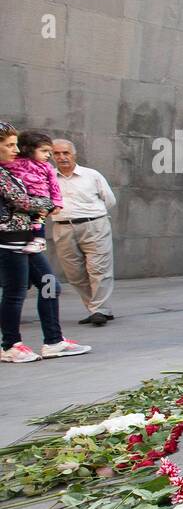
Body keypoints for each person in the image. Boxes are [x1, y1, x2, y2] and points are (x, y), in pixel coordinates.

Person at [0, 123, 91, 362]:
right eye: (9, 145)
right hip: (9, 244)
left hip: (27, 242)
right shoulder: (2, 174)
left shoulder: (12, 171)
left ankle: (53, 341)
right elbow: (24, 202)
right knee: (15, 293)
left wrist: (44, 202)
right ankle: (10, 345)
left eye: (16, 144)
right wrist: (49, 204)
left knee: (50, 286)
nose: (15, 149)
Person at [49, 139, 116, 326]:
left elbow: (109, 200)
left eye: (66, 153)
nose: (62, 157)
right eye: (57, 154)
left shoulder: (91, 175)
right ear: (52, 156)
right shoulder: (49, 178)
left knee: (99, 269)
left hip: (94, 225)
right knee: (74, 273)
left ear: (74, 154)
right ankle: (95, 308)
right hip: (62, 227)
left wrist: (93, 215)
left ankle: (99, 310)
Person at [7, 131, 61, 254]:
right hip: (23, 198)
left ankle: (39, 240)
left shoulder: (47, 167)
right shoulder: (15, 161)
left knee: (38, 220)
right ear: (28, 149)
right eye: (44, 151)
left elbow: (54, 186)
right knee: (26, 220)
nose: (48, 155)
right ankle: (31, 239)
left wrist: (57, 203)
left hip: (41, 197)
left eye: (49, 152)